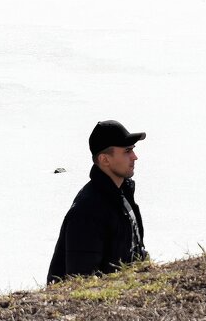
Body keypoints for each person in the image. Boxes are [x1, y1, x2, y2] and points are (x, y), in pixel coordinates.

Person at [47, 120, 148, 284]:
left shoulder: (122, 193)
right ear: (105, 159)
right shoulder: (88, 211)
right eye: (127, 151)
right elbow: (80, 281)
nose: (135, 157)